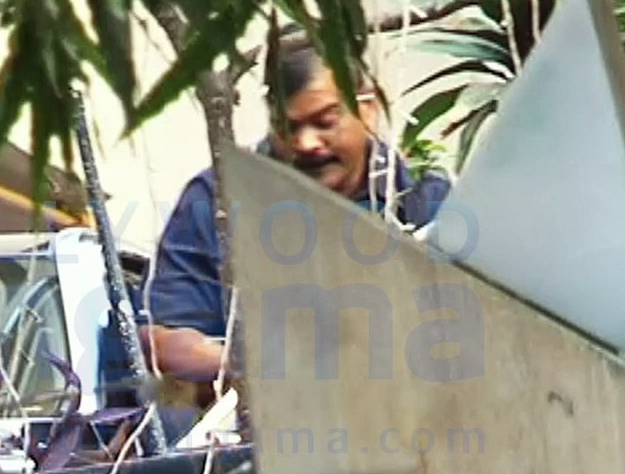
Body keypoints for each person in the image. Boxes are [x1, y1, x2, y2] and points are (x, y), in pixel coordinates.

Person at [138, 42, 453, 442]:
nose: (306, 143)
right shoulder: (217, 199)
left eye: (325, 121)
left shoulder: (421, 201)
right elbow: (159, 342)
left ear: (368, 108)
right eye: (289, 128)